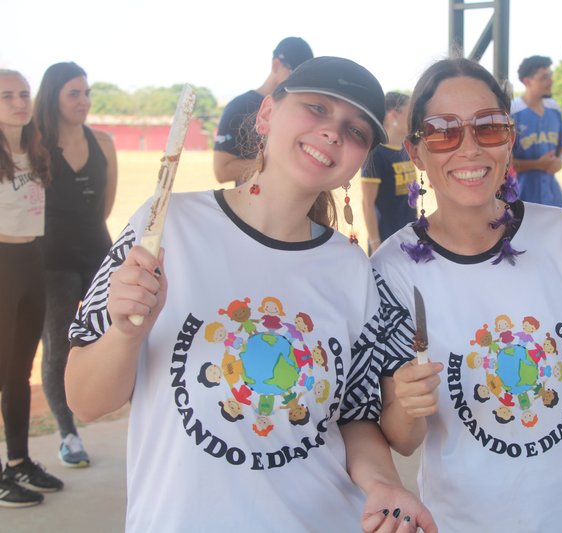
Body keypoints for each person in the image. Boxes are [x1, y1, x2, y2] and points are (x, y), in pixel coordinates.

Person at [64, 57, 435, 532]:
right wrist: (125, 332)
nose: (333, 132)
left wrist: (383, 484)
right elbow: (85, 401)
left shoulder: (352, 271)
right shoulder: (163, 227)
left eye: (356, 131)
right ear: (266, 114)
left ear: (357, 163)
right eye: (317, 108)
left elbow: (355, 420)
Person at [371, 58, 562, 532]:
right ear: (415, 152)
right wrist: (407, 402)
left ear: (510, 138)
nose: (469, 148)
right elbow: (403, 438)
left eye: (489, 127)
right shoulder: (390, 270)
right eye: (443, 132)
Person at [34, 61, 117, 469]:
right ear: (53, 98)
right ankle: (68, 434)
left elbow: (106, 205)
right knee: (58, 348)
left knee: (117, 334)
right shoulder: (34, 145)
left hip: (100, 254)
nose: (84, 101)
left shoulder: (103, 142)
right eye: (74, 94)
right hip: (53, 262)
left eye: (86, 93)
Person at [0, 69, 64, 507]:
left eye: (24, 94)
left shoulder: (35, 151)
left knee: (18, 374)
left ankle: (18, 461)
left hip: (30, 259)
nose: (19, 102)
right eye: (7, 96)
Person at [214, 36, 313, 185]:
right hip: (252, 198)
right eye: (294, 74)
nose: (299, 82)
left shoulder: (304, 110)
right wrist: (277, 164)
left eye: (304, 77)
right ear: (276, 65)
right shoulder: (239, 107)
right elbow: (222, 171)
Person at [360, 91, 417, 254]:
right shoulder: (376, 154)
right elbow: (367, 204)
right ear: (393, 115)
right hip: (387, 244)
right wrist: (376, 245)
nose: (414, 119)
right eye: (410, 114)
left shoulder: (405, 150)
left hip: (409, 239)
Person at [511, 55, 562, 208]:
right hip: (522, 196)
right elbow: (505, 162)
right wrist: (537, 164)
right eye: (544, 77)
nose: (550, 81)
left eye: (550, 75)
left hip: (552, 196)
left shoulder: (554, 108)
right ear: (527, 81)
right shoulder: (513, 112)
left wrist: (560, 160)